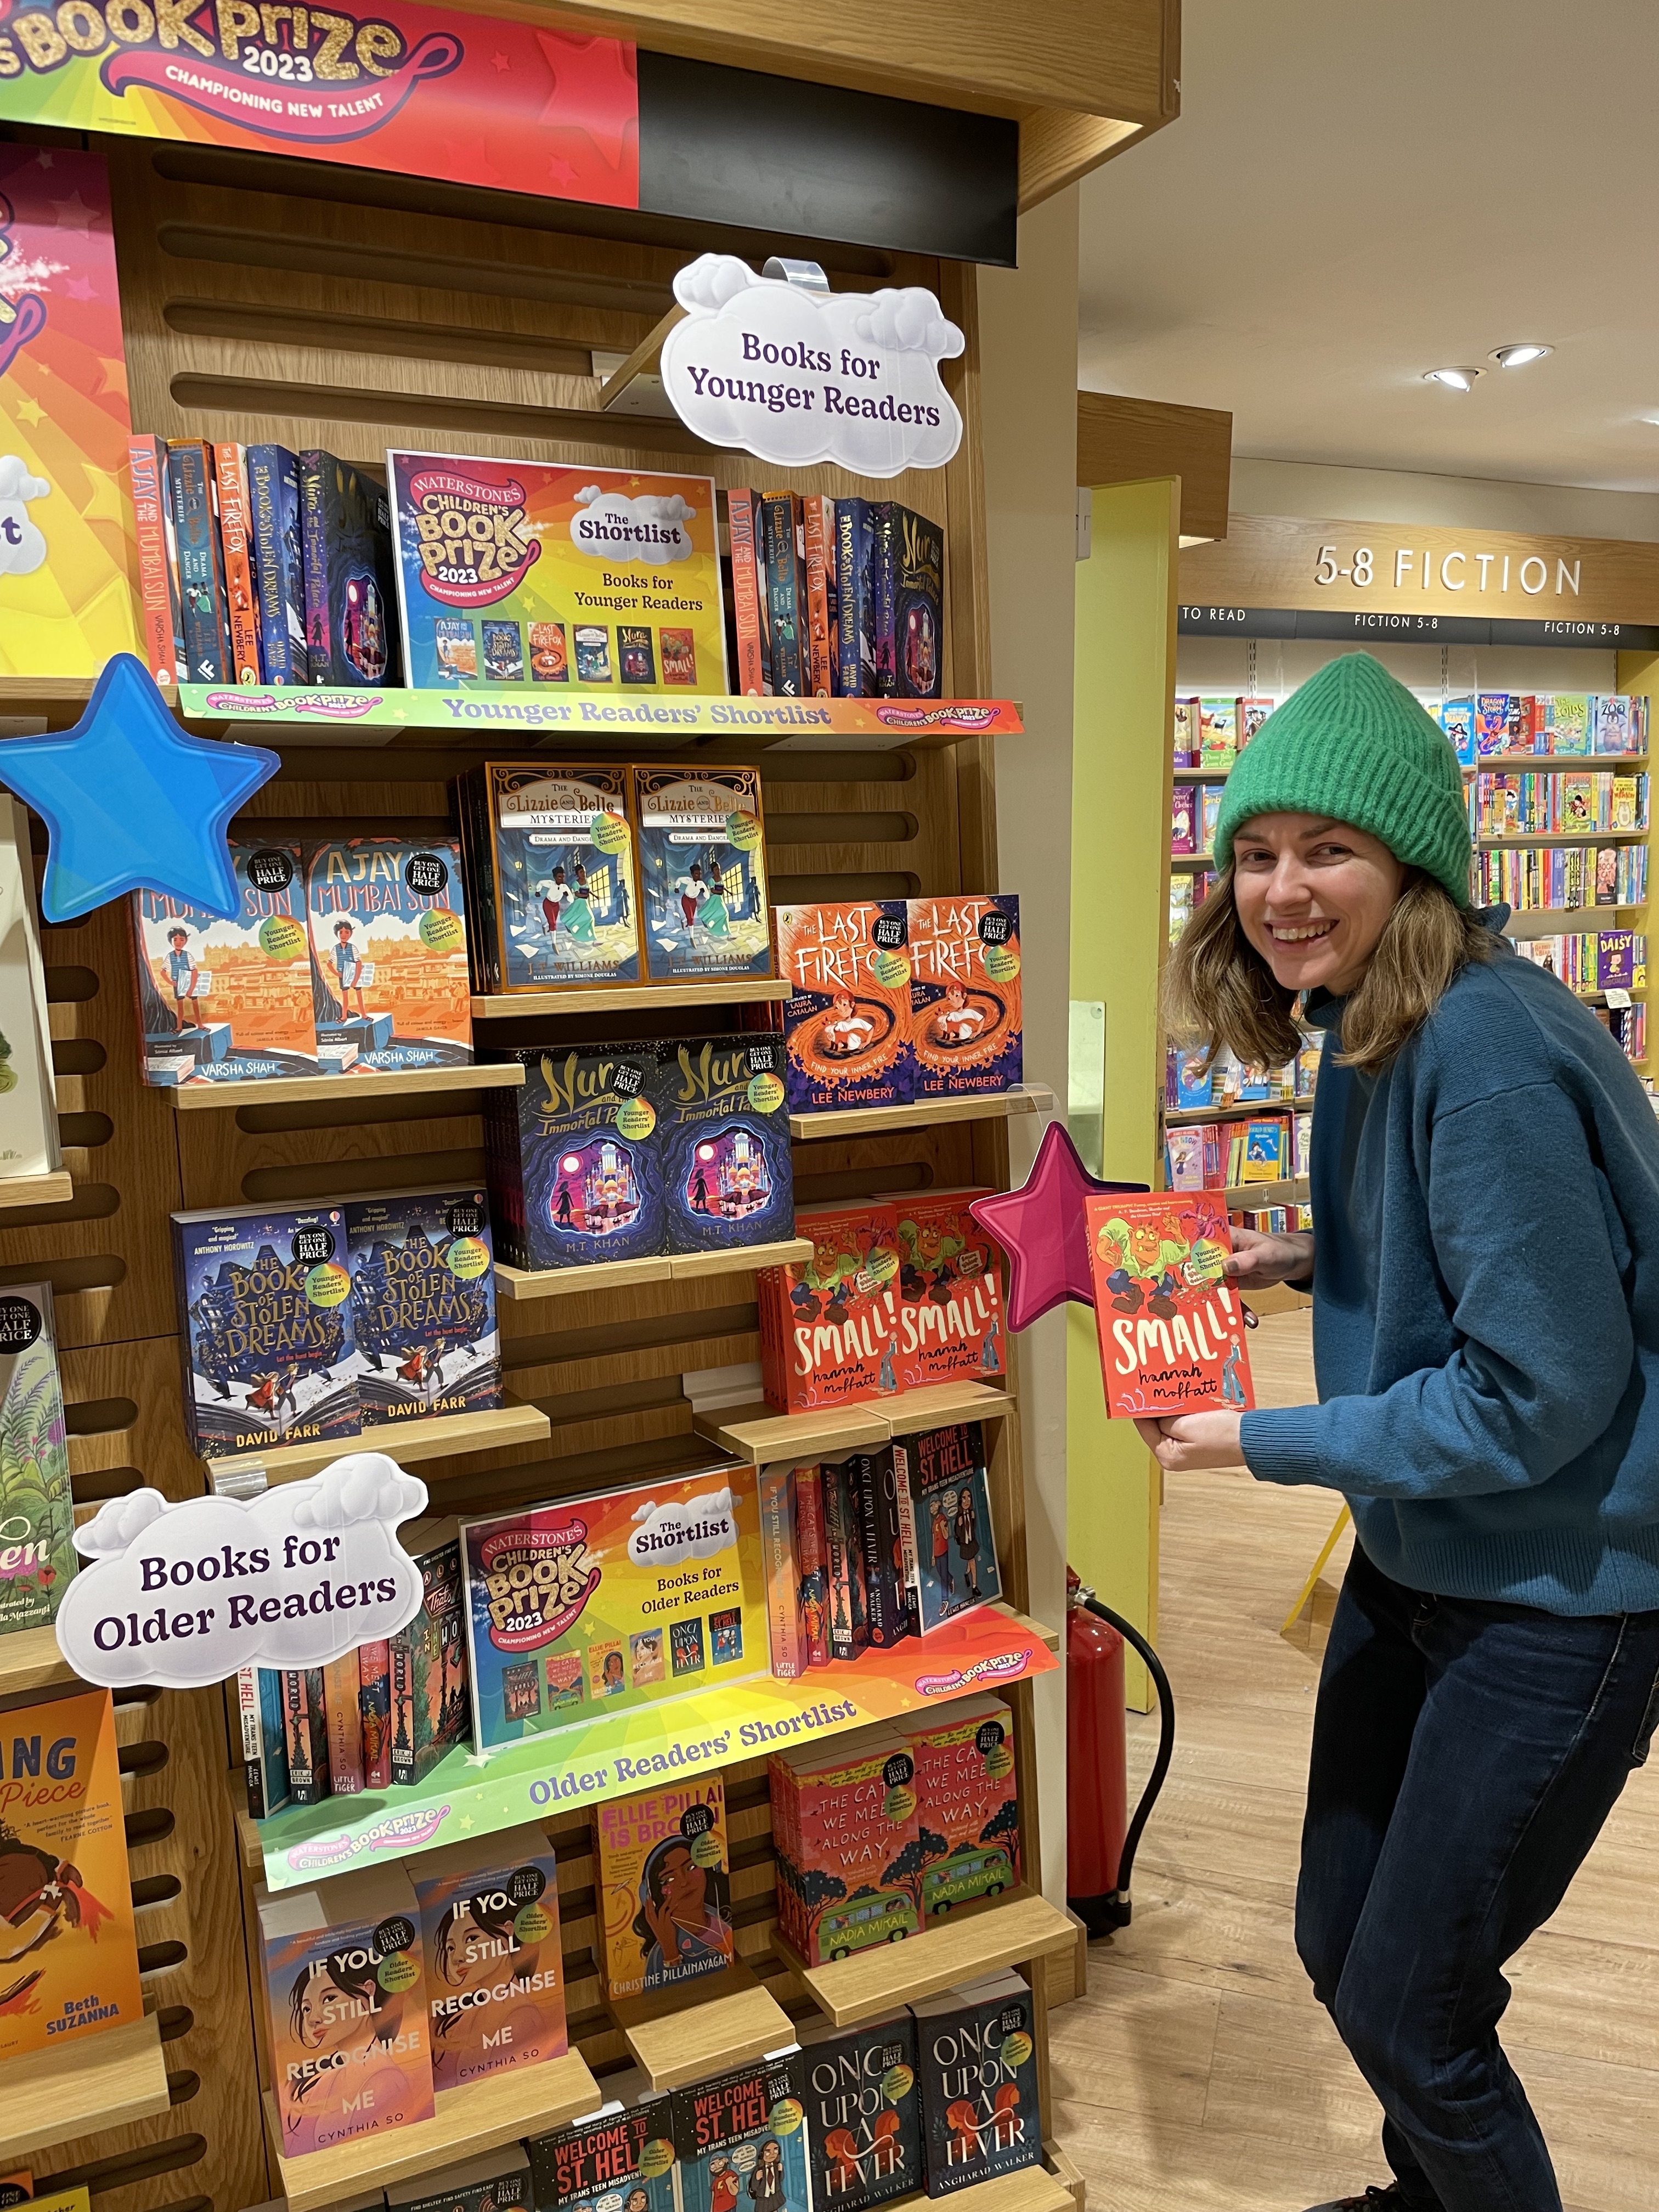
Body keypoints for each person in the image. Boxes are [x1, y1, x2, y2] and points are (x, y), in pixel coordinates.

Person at [1141, 652, 1659, 2212]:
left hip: (1561, 1599)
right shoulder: (1378, 1016)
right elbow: (1481, 1259)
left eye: (1329, 851)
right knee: (1347, 1940)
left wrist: (1259, 1437)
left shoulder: (1479, 1047)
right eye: (1254, 850)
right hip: (1427, 1562)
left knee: (1412, 2009)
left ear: (1413, 864)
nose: (1283, 890)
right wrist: (1306, 1256)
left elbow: (1537, 1392)